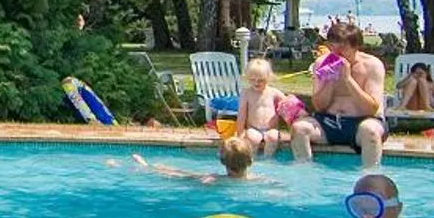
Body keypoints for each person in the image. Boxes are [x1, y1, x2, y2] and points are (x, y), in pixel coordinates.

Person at [304, 20, 386, 168]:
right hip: (329, 121)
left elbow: (371, 109)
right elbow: (318, 107)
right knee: (300, 129)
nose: (337, 54)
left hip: (362, 121)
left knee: (370, 131)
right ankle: (305, 172)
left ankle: (370, 176)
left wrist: (348, 79)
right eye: (333, 48)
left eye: (343, 49)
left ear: (356, 47)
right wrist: (330, 80)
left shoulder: (373, 65)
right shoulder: (322, 63)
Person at [235, 59, 303, 157]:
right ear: (247, 78)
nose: (256, 83)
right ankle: (251, 159)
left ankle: (268, 160)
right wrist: (240, 134)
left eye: (260, 80)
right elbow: (241, 114)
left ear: (268, 77)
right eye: (252, 80)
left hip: (271, 129)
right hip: (253, 128)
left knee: (273, 137)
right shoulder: (246, 93)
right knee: (252, 138)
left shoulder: (274, 93)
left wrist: (300, 113)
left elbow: (289, 106)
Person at [127, 138, 255, 182]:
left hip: (205, 179)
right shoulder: (256, 180)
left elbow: (182, 177)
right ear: (251, 161)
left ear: (222, 162)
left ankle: (146, 166)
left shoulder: (214, 179)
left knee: (182, 174)